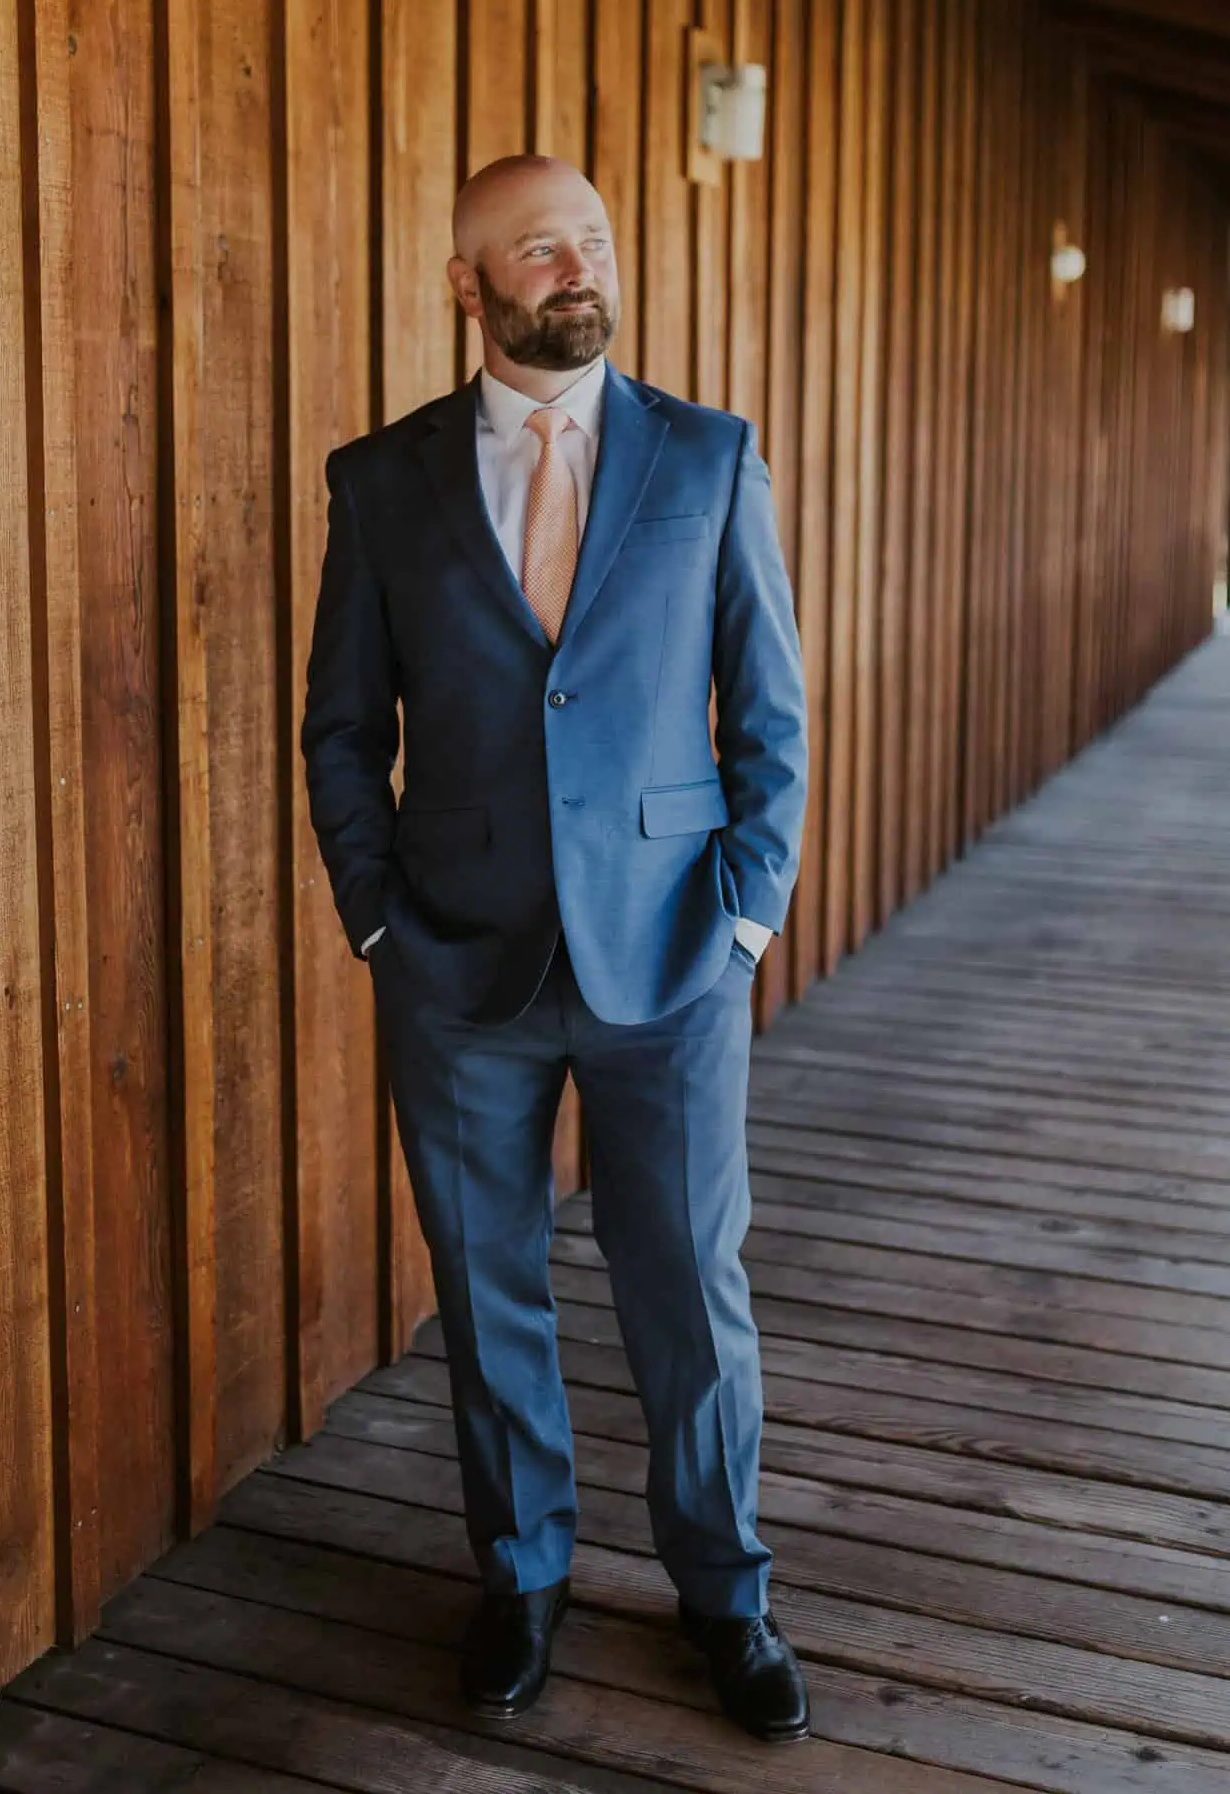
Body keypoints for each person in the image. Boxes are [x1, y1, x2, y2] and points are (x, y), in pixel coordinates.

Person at [300, 155, 809, 1742]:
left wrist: (746, 913)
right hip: (456, 962)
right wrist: (377, 918)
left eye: (591, 239)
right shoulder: (382, 482)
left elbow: (770, 714)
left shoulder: (710, 457)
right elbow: (341, 731)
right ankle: (521, 1575)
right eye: (539, 249)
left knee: (690, 1288)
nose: (578, 267)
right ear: (469, 286)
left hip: (672, 953)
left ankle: (726, 1592)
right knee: (486, 1279)